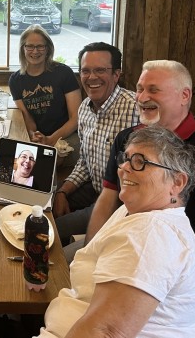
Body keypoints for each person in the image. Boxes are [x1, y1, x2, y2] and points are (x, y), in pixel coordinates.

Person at [0, 127, 195, 338]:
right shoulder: (136, 212)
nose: (123, 168)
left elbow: (106, 332)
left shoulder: (153, 233)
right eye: (126, 158)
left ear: (177, 182)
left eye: (140, 162)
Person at [86, 60, 195, 245]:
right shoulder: (126, 138)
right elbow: (108, 198)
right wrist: (90, 250)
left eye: (153, 90)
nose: (142, 98)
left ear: (184, 95)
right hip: (122, 236)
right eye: (139, 89)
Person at [53, 42, 139, 248]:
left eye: (100, 70)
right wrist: (63, 192)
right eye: (85, 71)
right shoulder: (84, 108)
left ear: (116, 74)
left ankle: (63, 263)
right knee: (44, 206)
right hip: (93, 189)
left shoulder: (135, 108)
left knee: (52, 227)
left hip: (120, 204)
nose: (91, 77)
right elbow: (85, 161)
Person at [9, 25, 82, 167]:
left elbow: (76, 118)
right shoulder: (15, 80)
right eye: (29, 46)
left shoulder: (63, 73)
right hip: (39, 137)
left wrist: (51, 139)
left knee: (44, 164)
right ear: (23, 49)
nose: (35, 51)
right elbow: (27, 116)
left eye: (40, 46)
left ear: (47, 48)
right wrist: (33, 135)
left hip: (67, 135)